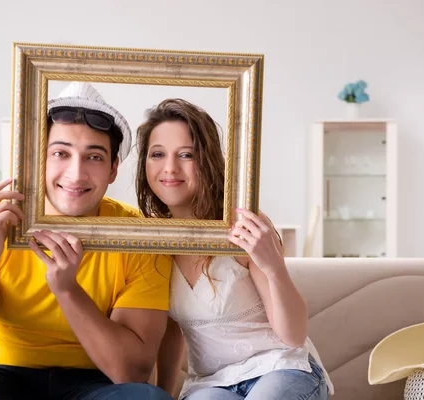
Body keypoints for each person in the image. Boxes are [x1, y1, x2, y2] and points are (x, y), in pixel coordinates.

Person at [0, 82, 173, 400]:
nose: (76, 173)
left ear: (113, 169)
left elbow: (131, 373)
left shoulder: (138, 236)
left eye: (94, 157)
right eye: (60, 153)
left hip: (97, 383)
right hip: (0, 378)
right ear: (35, 160)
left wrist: (67, 289)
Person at [135, 98, 334, 399]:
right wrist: (163, 394)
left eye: (186, 154)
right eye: (158, 154)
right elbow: (172, 334)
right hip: (210, 383)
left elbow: (293, 335)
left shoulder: (244, 226)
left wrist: (274, 266)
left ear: (207, 160)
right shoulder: (152, 240)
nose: (170, 168)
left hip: (279, 366)